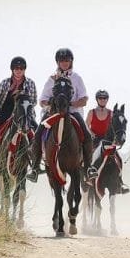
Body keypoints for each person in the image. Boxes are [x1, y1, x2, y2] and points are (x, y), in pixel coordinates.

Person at [28, 48, 92, 182]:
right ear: (57, 62)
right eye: (61, 60)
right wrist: (53, 105)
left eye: (67, 60)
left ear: (71, 61)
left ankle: (88, 168)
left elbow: (84, 100)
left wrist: (71, 104)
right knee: (38, 134)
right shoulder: (51, 79)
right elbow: (42, 100)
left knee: (87, 135)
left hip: (73, 113)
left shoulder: (77, 78)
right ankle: (34, 168)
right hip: (53, 113)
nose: (64, 63)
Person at [84, 89, 130, 194]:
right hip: (95, 139)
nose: (102, 100)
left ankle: (120, 182)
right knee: (87, 156)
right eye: (100, 98)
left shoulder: (111, 113)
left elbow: (115, 126)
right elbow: (86, 125)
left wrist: (117, 138)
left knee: (118, 158)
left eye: (104, 98)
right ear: (97, 99)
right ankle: (88, 175)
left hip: (107, 140)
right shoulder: (92, 112)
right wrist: (91, 133)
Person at [0, 56, 38, 139]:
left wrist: (21, 96)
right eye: (16, 68)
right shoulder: (5, 82)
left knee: (37, 130)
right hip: (6, 112)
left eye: (21, 68)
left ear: (24, 69)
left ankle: (41, 151)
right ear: (12, 69)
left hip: (25, 113)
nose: (19, 70)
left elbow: (34, 101)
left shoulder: (31, 83)